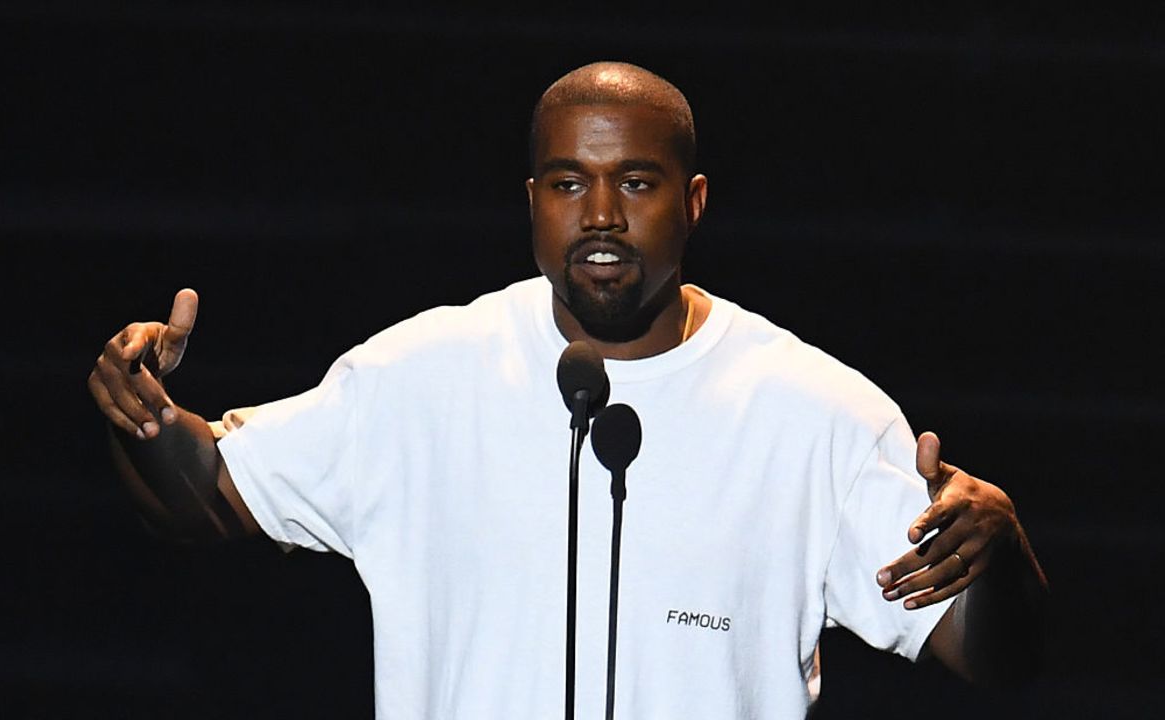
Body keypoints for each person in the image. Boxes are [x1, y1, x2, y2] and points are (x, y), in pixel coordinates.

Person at [88, 61, 1048, 718]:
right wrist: (147, 420)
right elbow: (206, 496)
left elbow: (992, 653)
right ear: (533, 201)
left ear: (695, 200)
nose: (599, 215)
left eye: (635, 183)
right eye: (566, 183)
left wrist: (999, 548)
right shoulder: (423, 379)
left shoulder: (812, 414)